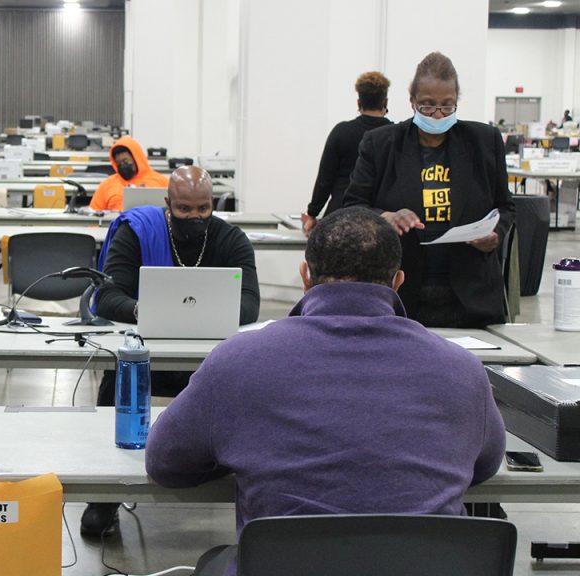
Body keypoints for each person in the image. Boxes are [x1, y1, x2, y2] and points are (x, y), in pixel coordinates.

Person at [145, 208, 506, 576]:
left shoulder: (238, 361)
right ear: (398, 281)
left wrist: (239, 449)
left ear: (305, 276)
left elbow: (166, 463)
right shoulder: (463, 369)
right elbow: (485, 465)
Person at [79, 165, 261, 537]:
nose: (195, 218)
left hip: (213, 361)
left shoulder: (231, 239)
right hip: (149, 355)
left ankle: (246, 491)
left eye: (204, 209)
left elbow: (250, 303)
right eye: (184, 210)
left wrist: (204, 313)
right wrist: (144, 310)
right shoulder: (138, 233)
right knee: (120, 373)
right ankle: (103, 496)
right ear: (168, 204)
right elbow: (107, 295)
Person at [344, 52, 515, 329]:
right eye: (427, 106)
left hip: (471, 294)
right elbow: (352, 207)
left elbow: (505, 206)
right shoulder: (381, 144)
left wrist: (495, 236)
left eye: (447, 107)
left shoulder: (484, 141)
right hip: (401, 292)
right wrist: (384, 216)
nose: (437, 114)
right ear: (412, 100)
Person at [303, 71, 392, 234]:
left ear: (359, 102)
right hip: (378, 222)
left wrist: (313, 214)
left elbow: (325, 179)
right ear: (385, 101)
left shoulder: (341, 131)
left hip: (339, 217)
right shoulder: (393, 135)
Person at [88, 135, 169, 212]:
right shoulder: (107, 185)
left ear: (136, 158)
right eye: (118, 163)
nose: (122, 165)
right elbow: (92, 214)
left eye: (125, 161)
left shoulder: (162, 182)